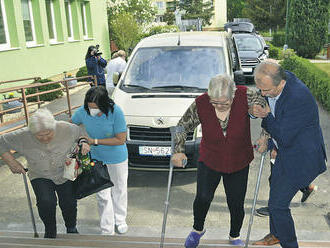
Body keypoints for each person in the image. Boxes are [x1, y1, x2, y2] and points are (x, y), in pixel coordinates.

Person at [171, 74, 267, 248]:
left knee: (236, 203)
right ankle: (197, 230)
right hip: (210, 159)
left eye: (224, 102)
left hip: (239, 160)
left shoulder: (246, 95)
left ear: (233, 94)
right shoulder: (201, 103)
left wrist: (264, 136)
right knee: (202, 198)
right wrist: (178, 150)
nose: (219, 106)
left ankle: (234, 235)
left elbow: (268, 110)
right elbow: (181, 126)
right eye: (214, 102)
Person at [250, 61, 327, 247]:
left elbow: (283, 135)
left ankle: (289, 244)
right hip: (286, 152)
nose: (262, 94)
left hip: (301, 158)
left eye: (266, 90)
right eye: (260, 89)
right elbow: (275, 116)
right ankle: (275, 234)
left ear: (280, 83)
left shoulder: (297, 97)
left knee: (277, 206)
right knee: (274, 193)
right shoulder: (279, 79)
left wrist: (265, 117)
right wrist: (266, 139)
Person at [0, 108, 90, 238]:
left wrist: (83, 142)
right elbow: (1, 142)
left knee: (69, 202)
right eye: (39, 135)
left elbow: (81, 132)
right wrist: (12, 162)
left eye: (48, 133)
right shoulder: (23, 135)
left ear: (54, 127)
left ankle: (71, 227)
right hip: (39, 174)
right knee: (46, 202)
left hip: (65, 172)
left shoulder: (66, 128)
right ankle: (50, 231)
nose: (45, 138)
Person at [71, 86, 128, 235]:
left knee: (119, 190)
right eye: (90, 107)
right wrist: (82, 139)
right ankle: (107, 229)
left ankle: (120, 219)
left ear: (104, 104)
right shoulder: (83, 112)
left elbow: (121, 139)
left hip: (117, 159)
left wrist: (94, 141)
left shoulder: (116, 112)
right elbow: (71, 126)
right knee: (102, 195)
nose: (92, 111)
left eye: (95, 108)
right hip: (96, 159)